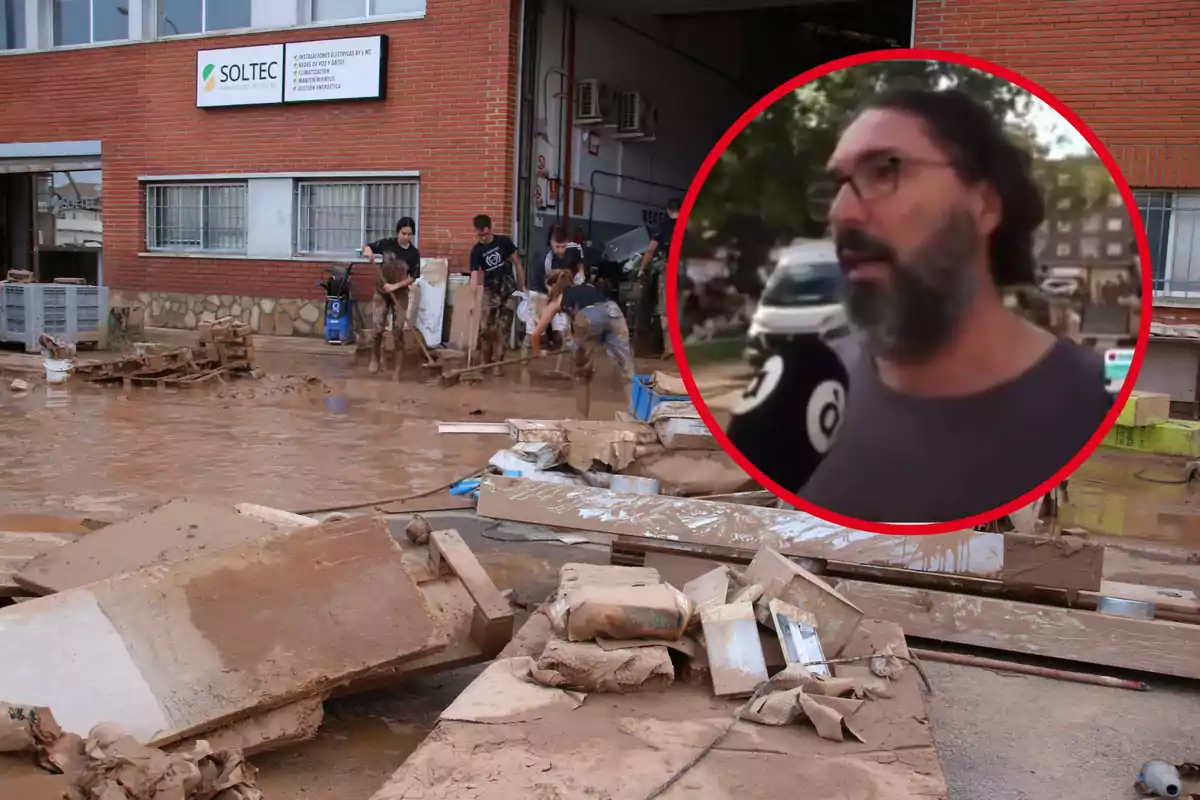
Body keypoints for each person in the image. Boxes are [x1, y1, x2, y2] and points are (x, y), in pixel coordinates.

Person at [771, 87, 1111, 523]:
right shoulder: (803, 390)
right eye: (838, 184)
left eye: (885, 171)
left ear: (984, 204)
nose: (841, 212)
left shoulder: (1087, 401)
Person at [531, 252, 635, 417]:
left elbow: (536, 334)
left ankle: (581, 420)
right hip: (612, 311)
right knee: (627, 370)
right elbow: (594, 327)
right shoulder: (586, 286)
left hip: (588, 317)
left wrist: (538, 352)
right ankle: (635, 416)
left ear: (552, 286)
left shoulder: (557, 301)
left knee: (581, 374)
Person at [361, 217, 420, 377]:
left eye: (410, 234)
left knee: (398, 330)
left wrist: (395, 286)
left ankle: (397, 369)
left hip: (400, 294)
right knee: (378, 327)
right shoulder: (387, 244)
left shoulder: (414, 254)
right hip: (381, 292)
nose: (406, 237)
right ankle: (375, 359)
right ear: (397, 232)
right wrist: (368, 251)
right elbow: (367, 246)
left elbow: (413, 277)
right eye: (404, 233)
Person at [469, 214, 525, 366]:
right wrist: (473, 301)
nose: (483, 238)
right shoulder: (476, 251)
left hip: (508, 290)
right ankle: (486, 361)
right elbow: (474, 277)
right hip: (490, 292)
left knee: (503, 329)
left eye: (485, 234)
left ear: (490, 229)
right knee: (485, 327)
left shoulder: (503, 242)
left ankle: (497, 363)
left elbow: (517, 263)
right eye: (479, 235)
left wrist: (523, 286)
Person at [638, 199, 681, 359]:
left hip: (670, 269)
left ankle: (669, 347)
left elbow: (650, 251)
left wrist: (641, 269)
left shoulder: (662, 227)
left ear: (669, 211)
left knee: (666, 311)